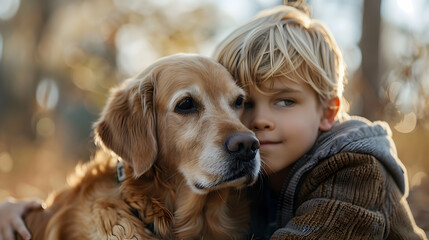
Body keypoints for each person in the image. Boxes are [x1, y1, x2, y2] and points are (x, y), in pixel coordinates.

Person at [1, 2, 427, 240]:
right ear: (139, 134)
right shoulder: (258, 178)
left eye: (233, 102)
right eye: (189, 106)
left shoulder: (356, 173)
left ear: (329, 113)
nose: (247, 128)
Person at [213, 3, 426, 239]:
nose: (260, 121)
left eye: (285, 101)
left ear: (327, 112)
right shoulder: (244, 169)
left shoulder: (358, 169)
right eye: (244, 103)